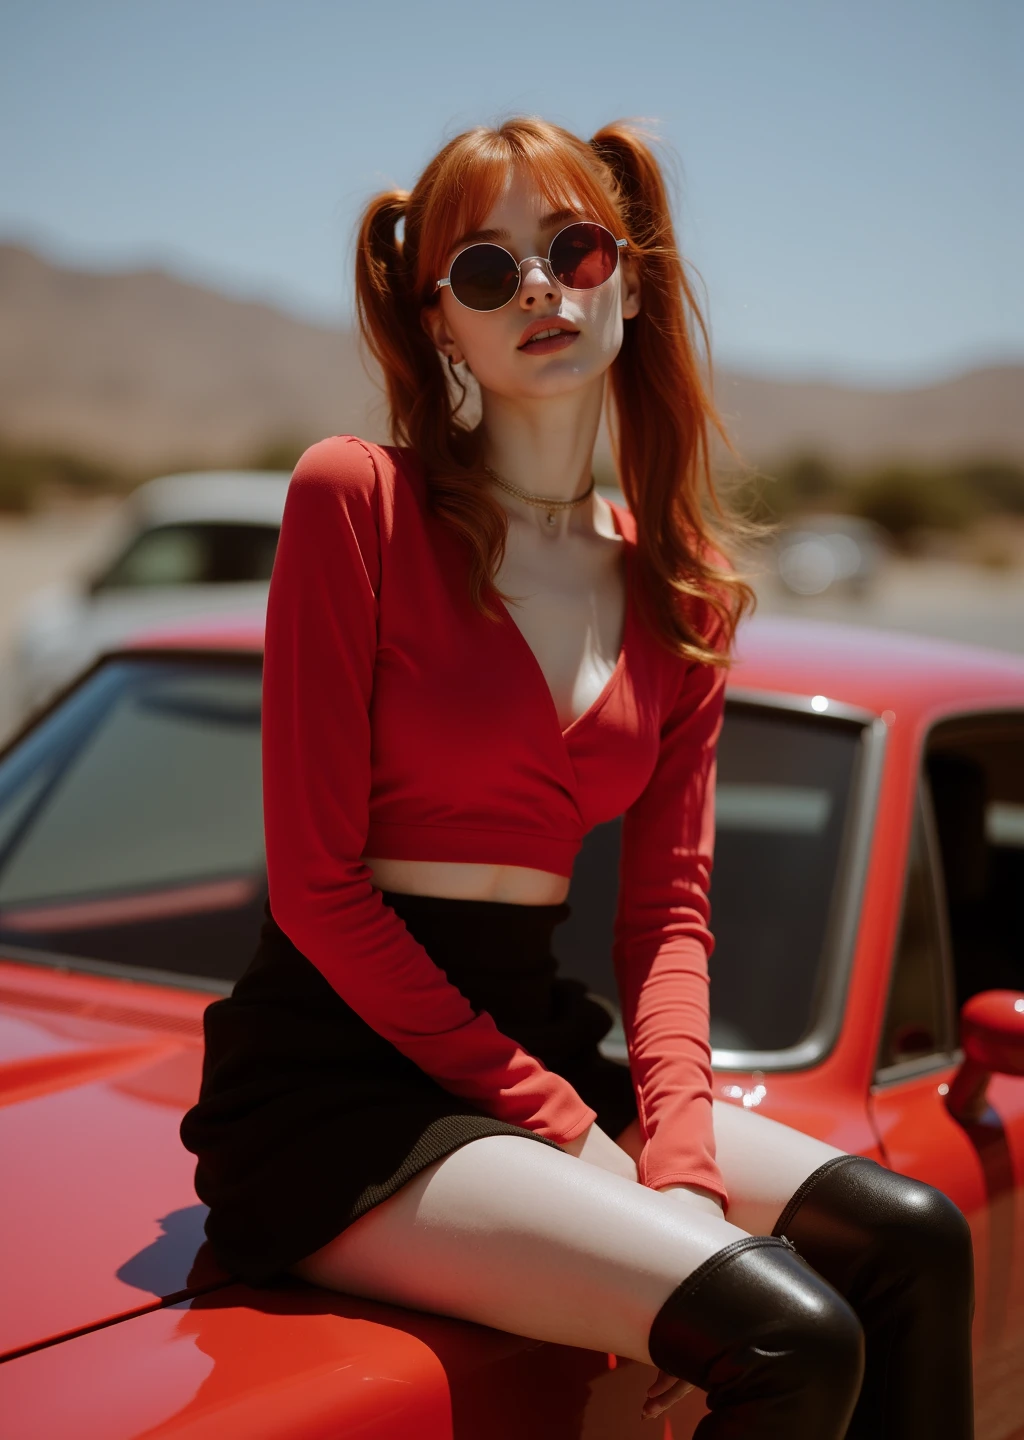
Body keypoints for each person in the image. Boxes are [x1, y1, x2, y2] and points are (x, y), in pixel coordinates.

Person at [180, 117, 975, 1436]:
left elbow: (667, 917)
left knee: (914, 1237)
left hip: (532, 1034)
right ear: (443, 325)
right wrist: (571, 1130)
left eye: (574, 246)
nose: (539, 286)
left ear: (633, 275)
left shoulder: (682, 591)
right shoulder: (354, 503)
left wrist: (682, 1167)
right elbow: (319, 890)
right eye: (486, 272)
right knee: (786, 1330)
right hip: (341, 1079)